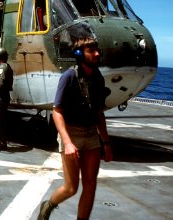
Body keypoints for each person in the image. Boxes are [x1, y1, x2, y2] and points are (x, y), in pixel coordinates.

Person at [37, 37, 113, 220]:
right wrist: (68, 142)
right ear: (79, 54)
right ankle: (47, 207)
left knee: (90, 185)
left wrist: (106, 142)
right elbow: (57, 112)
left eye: (97, 49)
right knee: (71, 188)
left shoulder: (98, 77)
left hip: (91, 136)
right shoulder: (69, 76)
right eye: (91, 50)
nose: (97, 54)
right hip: (72, 134)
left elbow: (99, 113)